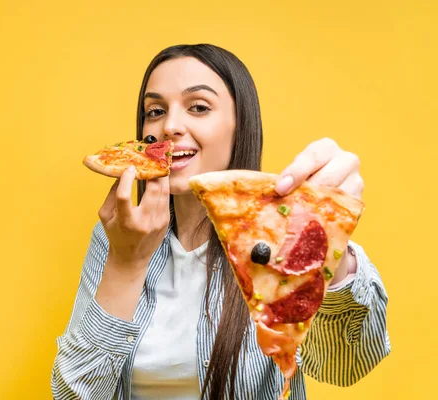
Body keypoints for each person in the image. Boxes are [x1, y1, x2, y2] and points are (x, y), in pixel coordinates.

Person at [51, 44, 390, 400]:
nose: (169, 126)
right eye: (155, 111)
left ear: (240, 124)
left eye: (198, 107)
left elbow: (343, 365)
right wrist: (125, 264)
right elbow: (74, 394)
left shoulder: (280, 232)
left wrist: (329, 245)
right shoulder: (117, 238)